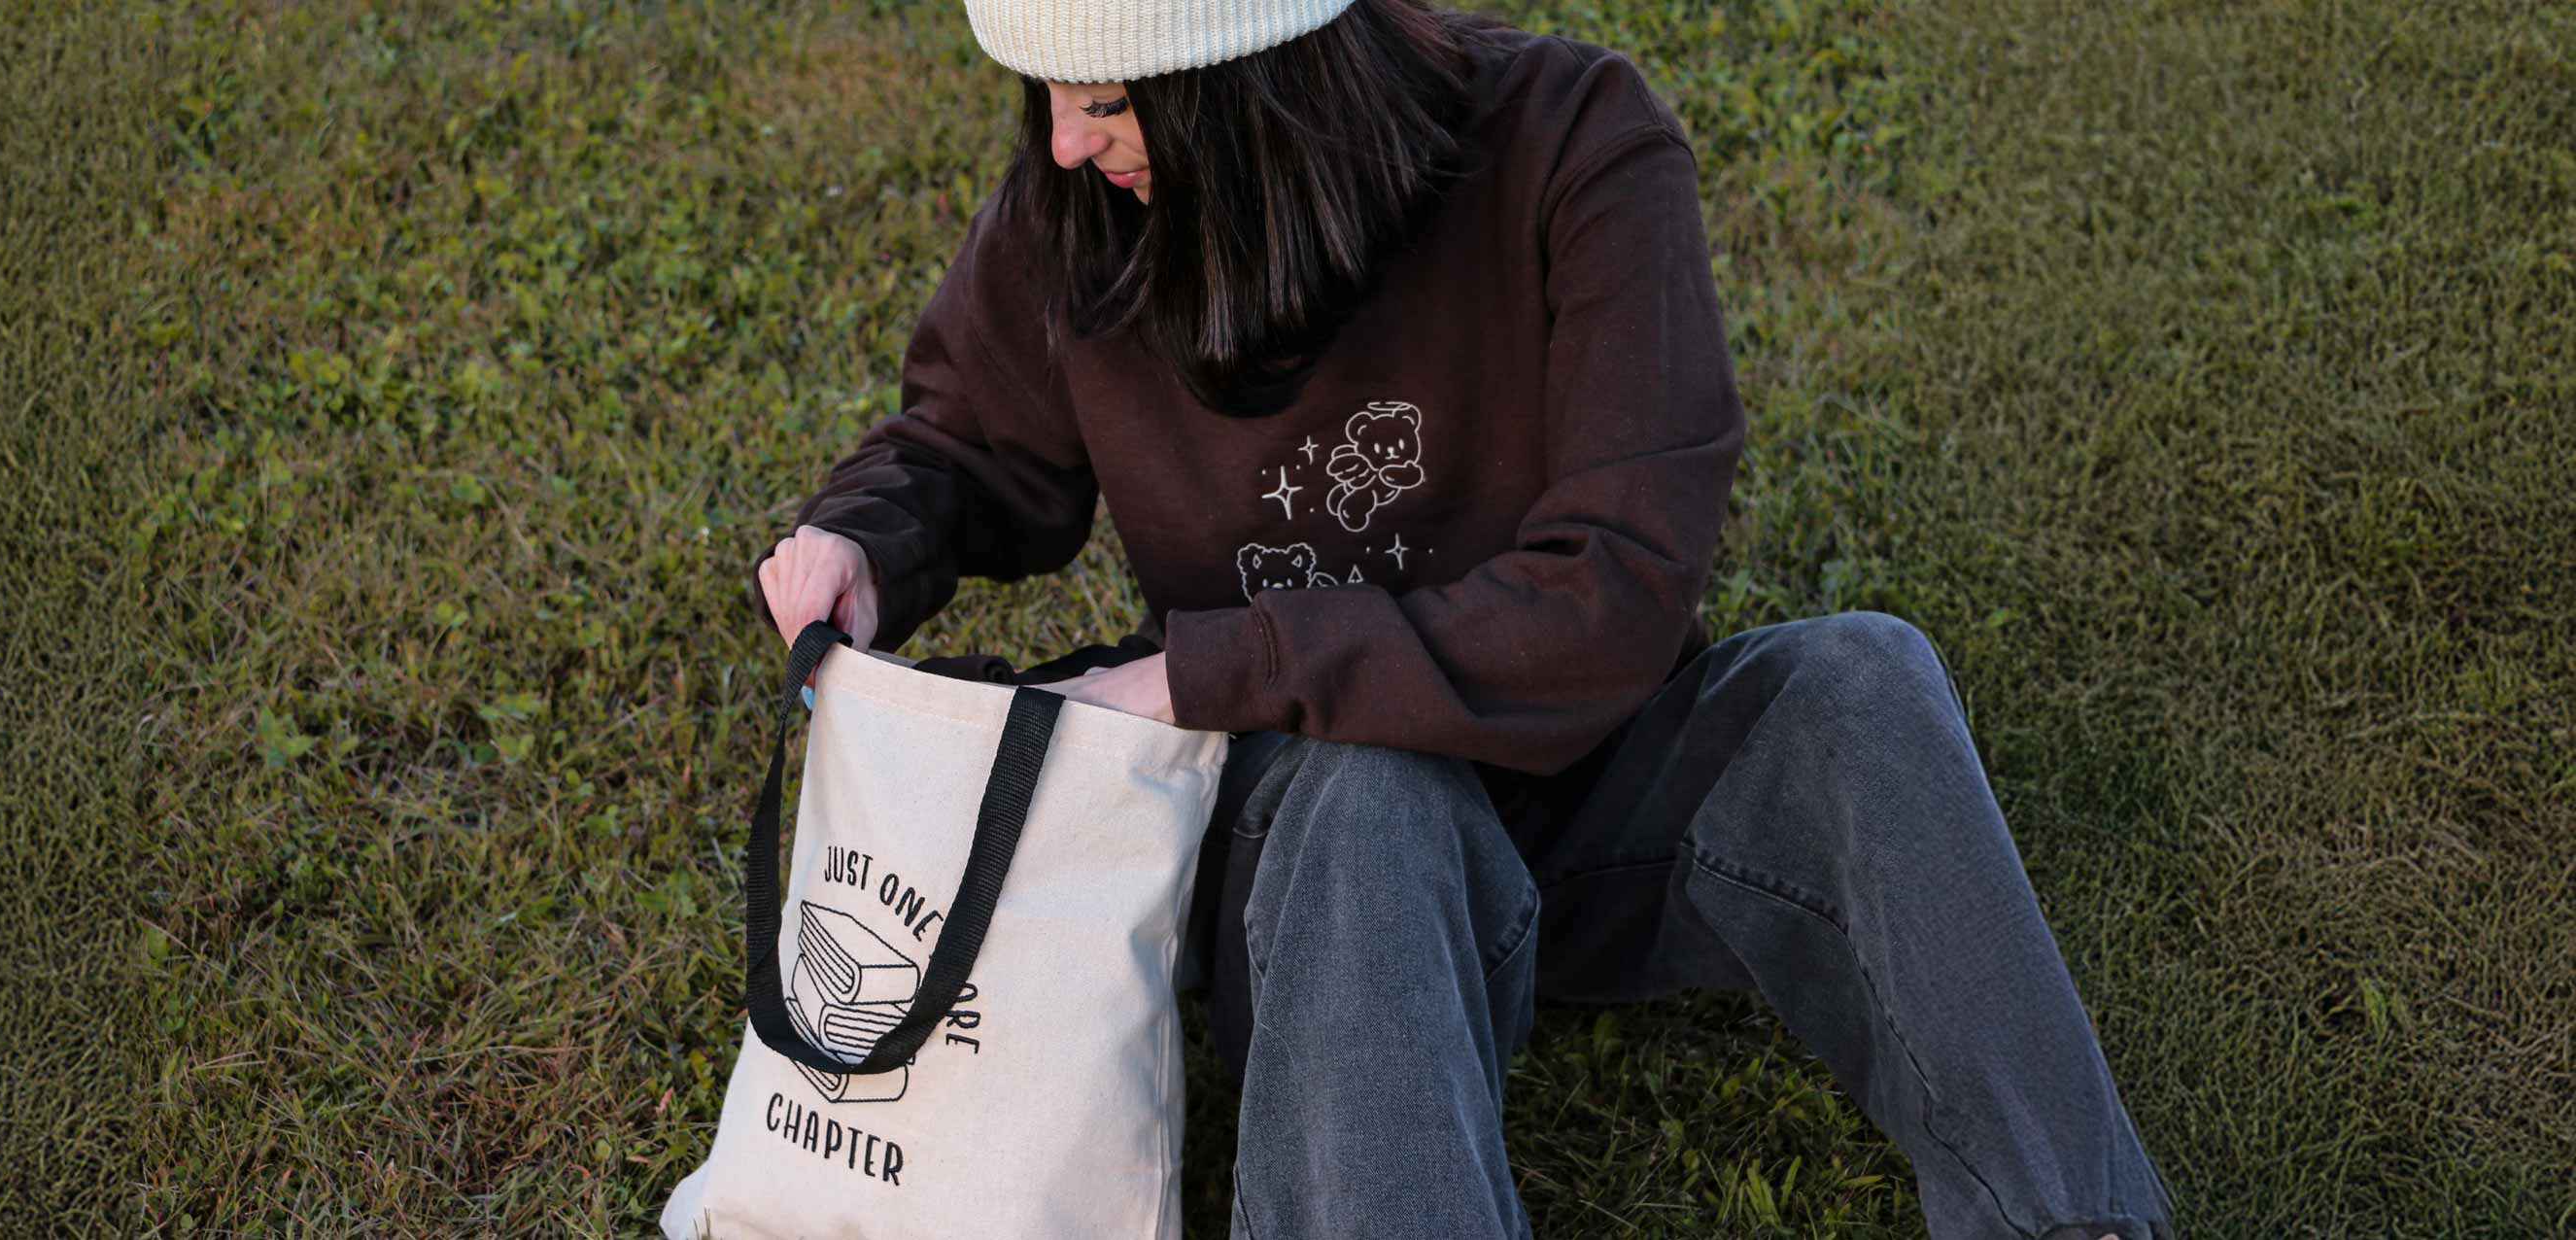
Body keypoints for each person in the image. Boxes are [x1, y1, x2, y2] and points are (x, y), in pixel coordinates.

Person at [752, 1, 2179, 1236]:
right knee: (1378, 788)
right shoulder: (1083, 209)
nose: (1065, 142)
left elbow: (1614, 593)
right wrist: (863, 538)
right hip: (1313, 852)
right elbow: (962, 440)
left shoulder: (1574, 144)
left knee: (1862, 681)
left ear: (1262, 90)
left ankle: (2076, 1220)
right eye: (1047, 94)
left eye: (1110, 102)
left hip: (1579, 781)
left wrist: (1201, 671)